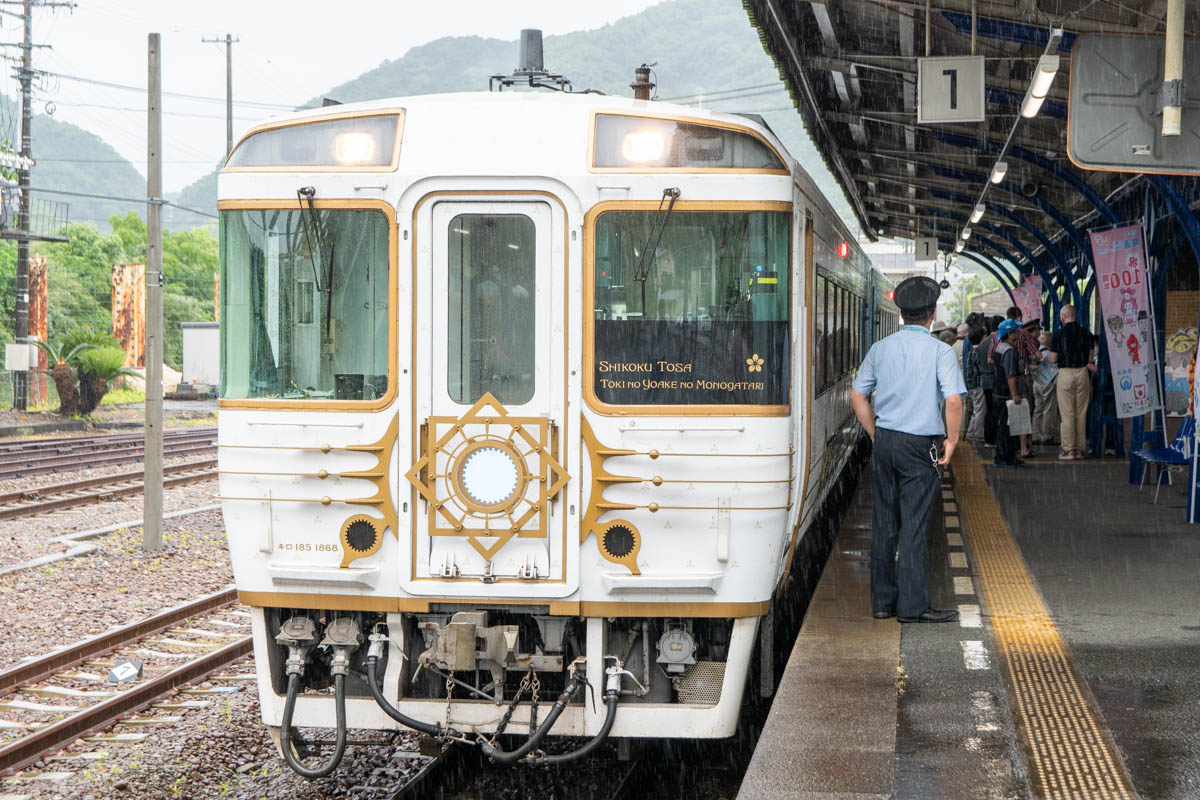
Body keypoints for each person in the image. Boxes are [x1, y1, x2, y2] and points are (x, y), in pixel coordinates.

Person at [851, 276, 964, 625]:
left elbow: (857, 395)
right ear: (931, 315)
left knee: (884, 520)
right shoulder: (940, 351)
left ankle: (883, 602)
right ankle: (913, 607)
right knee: (913, 525)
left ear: (901, 314)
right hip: (920, 446)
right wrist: (953, 439)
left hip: (886, 440)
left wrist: (874, 434)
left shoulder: (880, 348)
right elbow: (954, 399)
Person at [1050, 304, 1095, 460]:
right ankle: (1079, 449)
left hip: (1065, 373)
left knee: (1067, 413)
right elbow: (1090, 357)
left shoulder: (1058, 334)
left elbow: (1054, 358)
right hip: (1082, 373)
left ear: (1063, 316)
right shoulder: (1086, 333)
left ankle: (1069, 449)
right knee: (1081, 413)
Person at [991, 319, 1023, 468]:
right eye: (1016, 331)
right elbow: (1010, 375)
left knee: (1004, 427)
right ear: (1010, 334)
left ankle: (1005, 456)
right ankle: (1005, 458)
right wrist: (1015, 394)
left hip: (998, 393)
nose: (1018, 333)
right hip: (1006, 395)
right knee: (1007, 428)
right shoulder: (1009, 351)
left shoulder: (1000, 347)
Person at [1032, 331, 1060, 445]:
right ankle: (1046, 436)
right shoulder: (1049, 354)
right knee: (1048, 408)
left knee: (1038, 409)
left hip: (1036, 382)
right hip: (1046, 383)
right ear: (1050, 341)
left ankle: (1035, 435)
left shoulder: (1037, 351)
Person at [965, 326, 988, 442]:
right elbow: (980, 368)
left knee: (976, 409)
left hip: (971, 384)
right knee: (980, 410)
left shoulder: (970, 351)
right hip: (978, 384)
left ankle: (970, 433)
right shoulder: (979, 351)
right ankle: (979, 434)